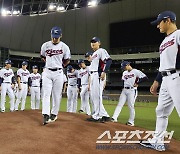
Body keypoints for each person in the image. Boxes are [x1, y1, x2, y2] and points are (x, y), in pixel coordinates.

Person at [140, 11, 180, 151]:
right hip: (165, 79)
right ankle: (158, 141)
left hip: (177, 77)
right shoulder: (163, 42)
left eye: (159, 22)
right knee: (161, 111)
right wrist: (157, 81)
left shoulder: (178, 34)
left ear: (167, 20)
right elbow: (163, 64)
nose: (157, 26)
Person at [40, 26, 71, 125]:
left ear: (61, 35)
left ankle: (54, 113)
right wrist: (49, 63)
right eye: (53, 36)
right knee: (46, 93)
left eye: (56, 37)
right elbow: (42, 56)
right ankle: (45, 114)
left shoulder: (64, 47)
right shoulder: (45, 45)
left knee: (57, 95)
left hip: (58, 72)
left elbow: (67, 60)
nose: (54, 39)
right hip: (47, 72)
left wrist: (61, 65)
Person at [111, 61, 148, 126]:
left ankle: (131, 121)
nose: (123, 68)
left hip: (132, 90)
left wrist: (137, 83)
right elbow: (123, 80)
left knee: (131, 106)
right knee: (120, 104)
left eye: (124, 66)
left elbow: (145, 78)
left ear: (128, 65)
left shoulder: (136, 71)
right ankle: (114, 117)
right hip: (124, 90)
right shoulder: (124, 72)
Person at [86, 37, 112, 122]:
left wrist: (104, 72)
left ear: (99, 43)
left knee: (96, 96)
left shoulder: (101, 51)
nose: (93, 43)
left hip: (98, 74)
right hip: (93, 75)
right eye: (92, 42)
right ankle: (105, 115)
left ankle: (97, 116)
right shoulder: (94, 54)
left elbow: (108, 61)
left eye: (95, 42)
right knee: (94, 96)